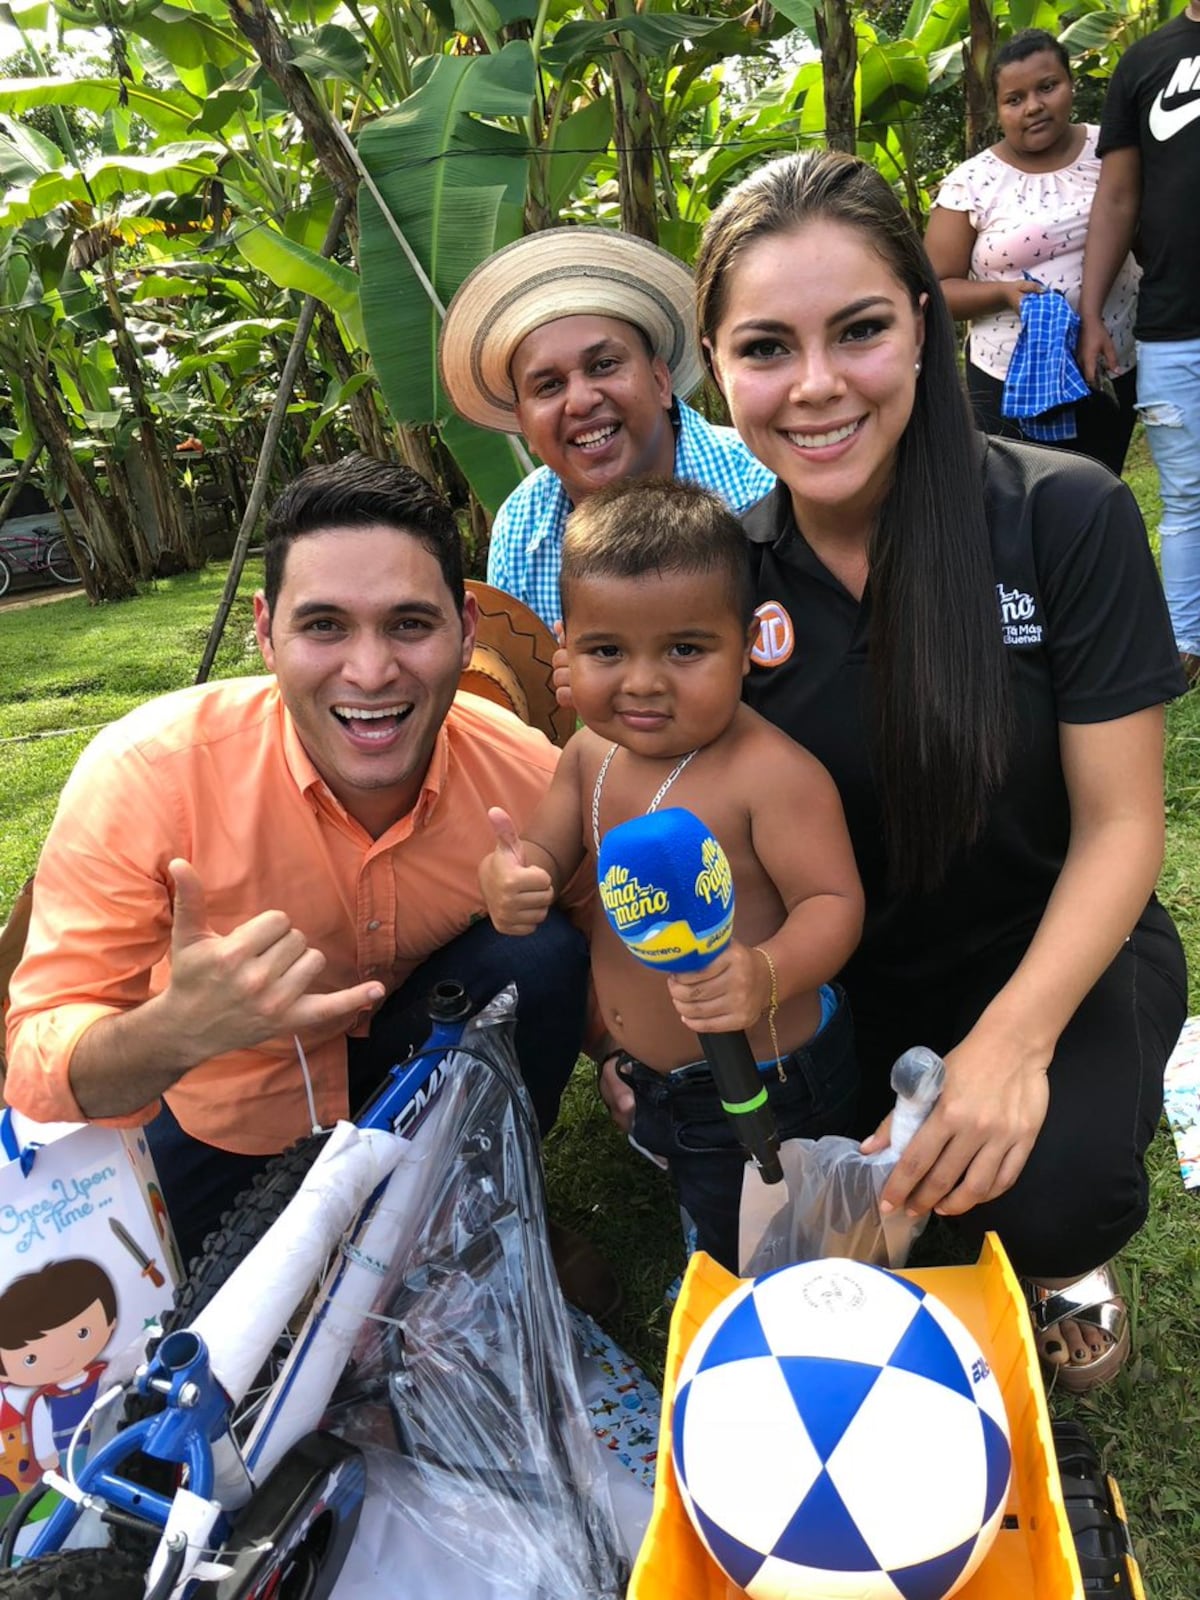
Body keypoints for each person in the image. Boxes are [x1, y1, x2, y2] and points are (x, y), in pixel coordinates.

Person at [653, 147, 1185, 1391]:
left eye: (860, 330)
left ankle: (1060, 1256)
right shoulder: (724, 582)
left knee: (1051, 1195)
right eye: (766, 347)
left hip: (1053, 949)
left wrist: (1010, 1048)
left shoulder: (1063, 515)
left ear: (924, 322)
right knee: (780, 1266)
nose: (816, 385)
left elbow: (1121, 828)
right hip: (843, 985)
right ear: (718, 369)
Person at [4, 457, 596, 1279]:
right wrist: (174, 1031)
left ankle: (478, 1193)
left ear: (466, 630)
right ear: (265, 631)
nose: (370, 672)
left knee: (540, 953)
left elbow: (609, 937)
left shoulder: (526, 775)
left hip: (417, 1063)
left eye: (409, 624)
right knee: (203, 1310)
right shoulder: (149, 775)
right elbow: (35, 1057)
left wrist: (635, 1061)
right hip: (220, 1107)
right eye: (324, 626)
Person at [479, 478, 864, 1271]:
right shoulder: (589, 752)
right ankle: (700, 1205)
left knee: (756, 1227)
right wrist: (514, 877)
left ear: (747, 644)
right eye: (607, 651)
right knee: (701, 1180)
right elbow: (548, 850)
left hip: (763, 1073)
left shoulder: (769, 774)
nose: (644, 681)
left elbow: (832, 903)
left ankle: (762, 1273)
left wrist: (764, 973)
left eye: (685, 649)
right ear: (566, 645)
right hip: (658, 1074)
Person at [437, 227, 775, 630]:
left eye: (604, 365)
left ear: (660, 381)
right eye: (549, 386)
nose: (581, 401)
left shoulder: (764, 485)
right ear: (523, 423)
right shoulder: (523, 529)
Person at [924, 28, 1139, 474]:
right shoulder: (972, 183)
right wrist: (1003, 294)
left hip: (1107, 364)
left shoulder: (1113, 151)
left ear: (1070, 84)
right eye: (1014, 99)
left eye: (1047, 87)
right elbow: (932, 290)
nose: (1034, 106)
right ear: (997, 109)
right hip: (1006, 381)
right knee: (1016, 499)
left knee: (1100, 490)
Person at [1079, 0, 1200, 684]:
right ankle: (1186, 642)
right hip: (1174, 324)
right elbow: (1119, 196)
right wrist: (1092, 311)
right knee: (1185, 496)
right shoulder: (1144, 61)